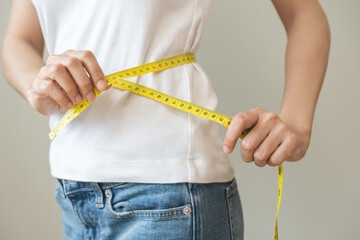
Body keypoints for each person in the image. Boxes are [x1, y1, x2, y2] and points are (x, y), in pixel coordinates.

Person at [1, 0, 330, 239]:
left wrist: (297, 124)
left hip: (168, 197)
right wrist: (37, 85)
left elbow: (304, 12)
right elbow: (20, 40)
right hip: (74, 191)